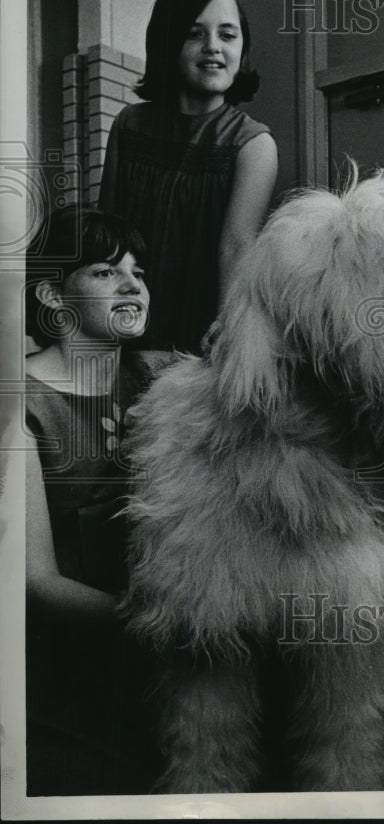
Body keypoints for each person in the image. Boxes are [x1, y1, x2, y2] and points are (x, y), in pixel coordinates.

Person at [24, 206, 168, 794]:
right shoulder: (19, 408)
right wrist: (161, 627)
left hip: (172, 663)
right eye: (106, 272)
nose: (133, 284)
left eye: (139, 272)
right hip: (71, 673)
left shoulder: (167, 377)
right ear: (54, 297)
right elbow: (37, 584)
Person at [99, 0, 278, 353]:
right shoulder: (129, 124)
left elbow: (235, 247)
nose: (213, 46)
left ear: (242, 48)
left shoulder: (253, 144)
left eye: (227, 35)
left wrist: (226, 336)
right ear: (167, 41)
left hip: (199, 337)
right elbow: (108, 231)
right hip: (122, 324)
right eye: (194, 33)